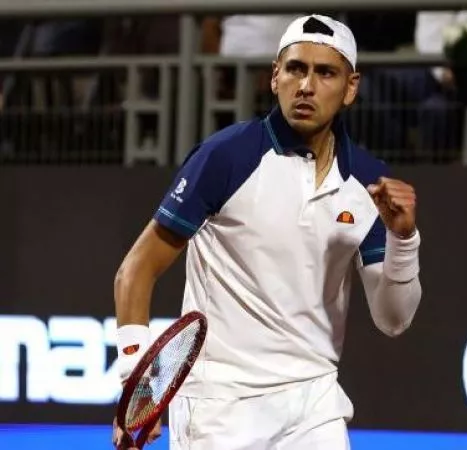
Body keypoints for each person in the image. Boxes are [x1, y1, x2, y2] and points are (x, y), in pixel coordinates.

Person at [112, 14, 422, 450]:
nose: (306, 86)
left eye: (325, 73)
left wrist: (403, 240)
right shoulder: (226, 156)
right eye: (295, 69)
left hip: (315, 403)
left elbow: (393, 319)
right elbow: (135, 270)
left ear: (351, 87)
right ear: (275, 76)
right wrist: (139, 389)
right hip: (220, 406)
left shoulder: (369, 182)